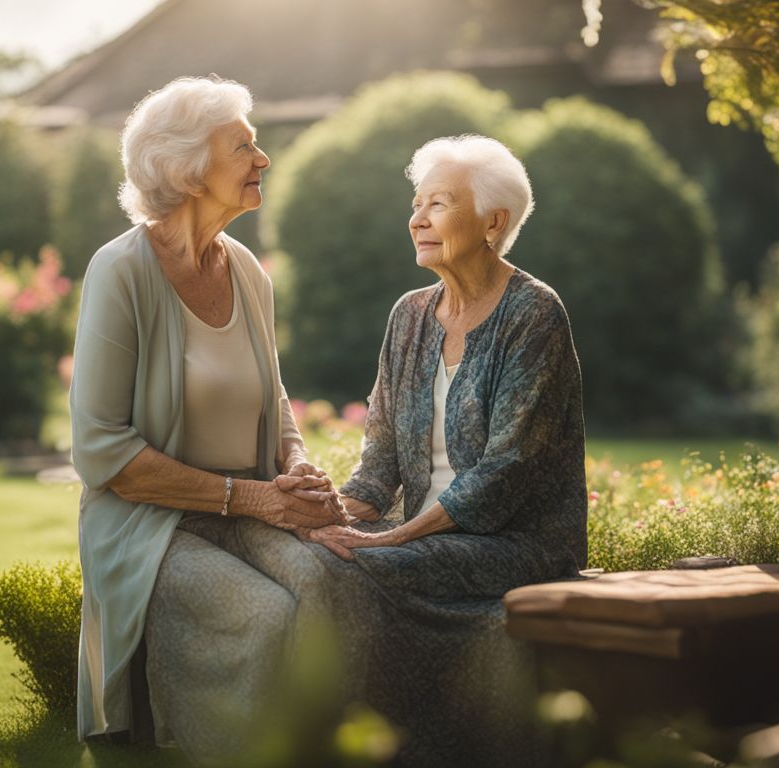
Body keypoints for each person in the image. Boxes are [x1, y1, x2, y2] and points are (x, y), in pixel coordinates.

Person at [67, 76, 343, 760]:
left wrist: (297, 468)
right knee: (263, 614)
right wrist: (252, 498)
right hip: (148, 524)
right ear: (188, 167)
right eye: (242, 145)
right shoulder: (119, 271)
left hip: (247, 506)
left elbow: (272, 394)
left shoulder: (247, 270)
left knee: (332, 581)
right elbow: (103, 452)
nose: (263, 159)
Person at [300, 134, 589, 766]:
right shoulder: (408, 316)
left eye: (438, 203)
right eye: (416, 202)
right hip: (429, 536)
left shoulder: (534, 313)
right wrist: (329, 516)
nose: (417, 218)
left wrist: (394, 540)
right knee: (309, 556)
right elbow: (377, 465)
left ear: (493, 222)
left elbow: (505, 473)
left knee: (355, 572)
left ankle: (393, 749)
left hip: (519, 543)